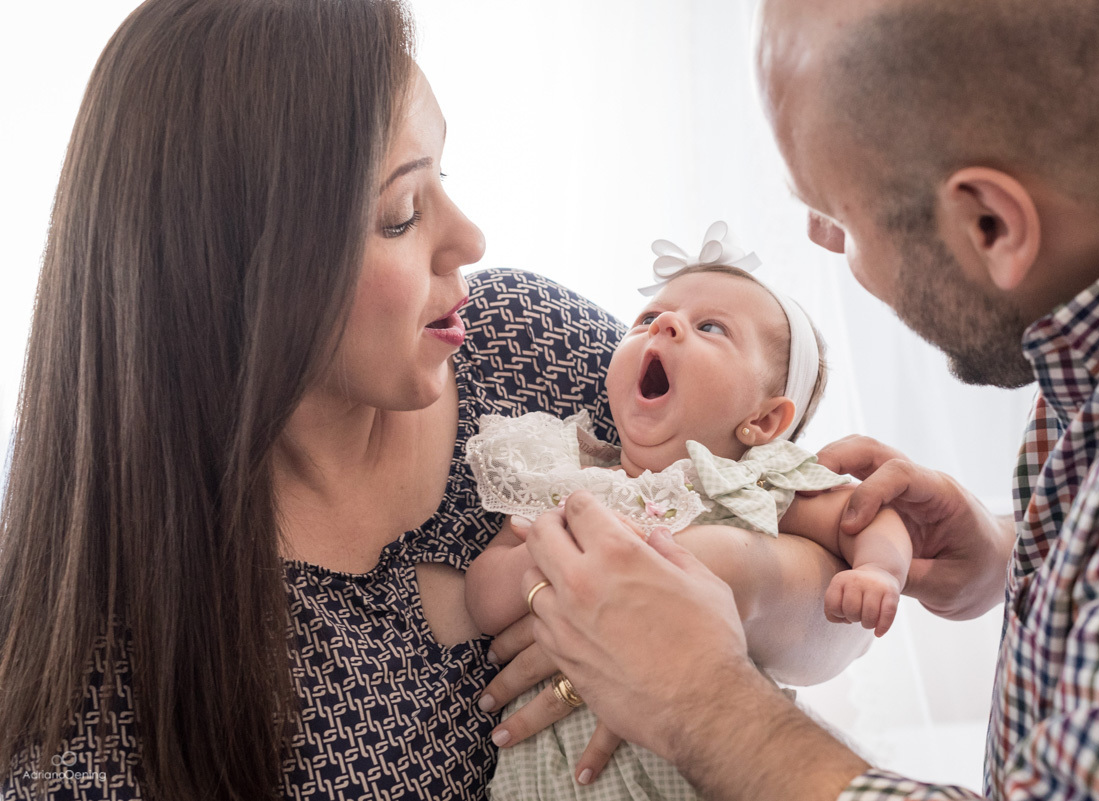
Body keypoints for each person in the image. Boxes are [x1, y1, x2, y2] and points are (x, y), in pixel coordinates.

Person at [0, 1, 872, 799]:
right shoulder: (104, 677)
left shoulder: (530, 341)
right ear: (238, 274)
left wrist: (728, 588)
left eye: (442, 177)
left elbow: (841, 613)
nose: (470, 237)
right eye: (400, 213)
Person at [519, 0, 1099, 798]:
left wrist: (699, 697)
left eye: (839, 216)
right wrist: (1019, 553)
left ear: (991, 224)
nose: (826, 244)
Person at [464, 226, 911, 799]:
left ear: (764, 421)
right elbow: (481, 599)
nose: (665, 325)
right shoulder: (565, 475)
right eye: (649, 319)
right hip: (553, 777)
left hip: (707, 760)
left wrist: (877, 571)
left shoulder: (750, 480)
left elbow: (865, 512)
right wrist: (544, 561)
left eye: (711, 328)